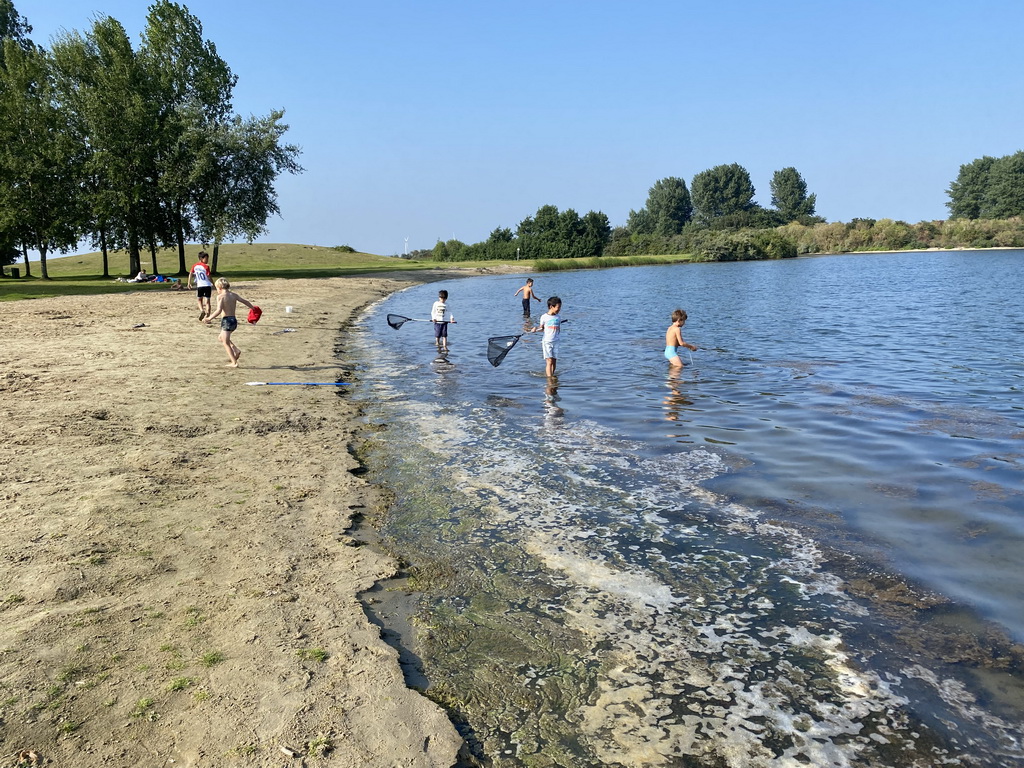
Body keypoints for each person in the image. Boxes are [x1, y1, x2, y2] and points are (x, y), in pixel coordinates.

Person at [204, 277, 254, 368]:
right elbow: (245, 301)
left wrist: (209, 318)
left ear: (219, 287)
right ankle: (236, 350)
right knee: (221, 338)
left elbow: (218, 310)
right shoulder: (233, 295)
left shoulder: (220, 297)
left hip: (226, 321)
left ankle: (234, 362)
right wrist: (253, 308)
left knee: (225, 342)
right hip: (234, 321)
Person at [532, 296, 563, 377]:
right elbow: (542, 328)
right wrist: (535, 329)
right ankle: (550, 379)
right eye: (558, 307)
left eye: (560, 307)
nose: (559, 309)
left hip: (556, 341)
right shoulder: (544, 317)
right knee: (549, 361)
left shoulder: (558, 317)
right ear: (551, 306)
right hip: (547, 342)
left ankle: (552, 376)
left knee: (554, 361)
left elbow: (558, 329)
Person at [188, 251, 214, 322]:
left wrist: (189, 283)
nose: (207, 260)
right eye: (206, 259)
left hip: (200, 285)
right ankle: (207, 317)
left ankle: (202, 310)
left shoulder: (194, 266)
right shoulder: (206, 266)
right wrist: (213, 283)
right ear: (201, 258)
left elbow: (190, 273)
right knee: (208, 301)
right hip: (207, 285)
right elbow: (209, 276)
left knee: (199, 300)